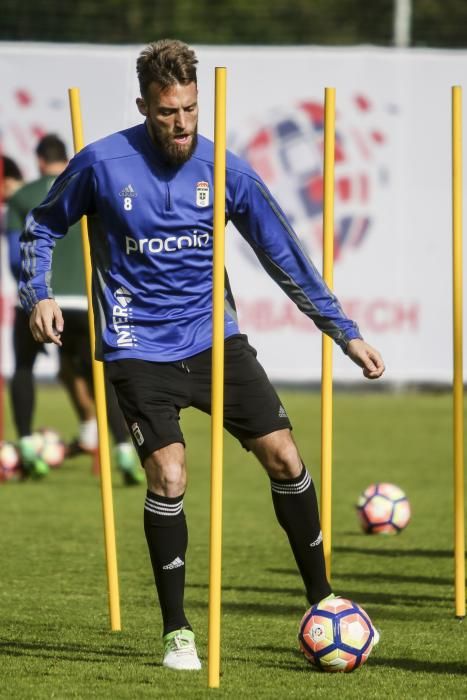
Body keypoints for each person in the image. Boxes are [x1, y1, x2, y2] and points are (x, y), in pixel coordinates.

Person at [19, 39, 385, 670]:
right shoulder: (101, 164)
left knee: (285, 456)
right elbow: (43, 225)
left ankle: (322, 599)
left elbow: (284, 257)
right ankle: (177, 631)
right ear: (144, 105)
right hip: (136, 345)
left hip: (215, 339)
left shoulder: (228, 172)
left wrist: (344, 332)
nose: (182, 123)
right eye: (168, 112)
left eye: (191, 108)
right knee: (169, 474)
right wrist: (39, 294)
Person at [7, 135, 142, 484]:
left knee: (23, 367)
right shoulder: (87, 185)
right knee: (99, 376)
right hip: (86, 301)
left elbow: (14, 258)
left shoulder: (22, 197)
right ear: (65, 158)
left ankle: (25, 447)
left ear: (38, 161)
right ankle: (125, 449)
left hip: (42, 301)